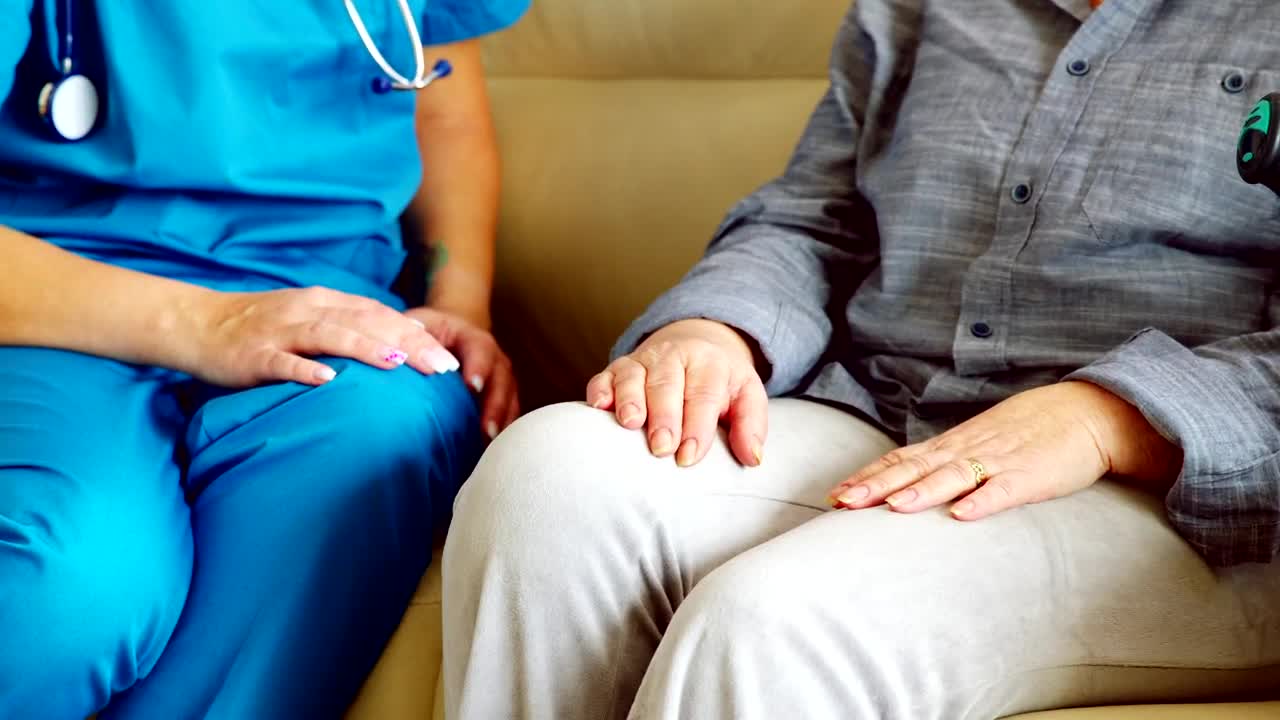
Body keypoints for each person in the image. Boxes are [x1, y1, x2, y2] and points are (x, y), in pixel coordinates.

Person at [442, 0, 1280, 718]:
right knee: (549, 477)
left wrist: (1105, 416)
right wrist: (714, 328)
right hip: (880, 407)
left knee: (778, 620)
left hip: (1179, 495)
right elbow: (816, 215)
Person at [0, 0, 527, 717]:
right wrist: (209, 323)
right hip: (65, 294)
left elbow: (444, 112)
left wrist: (459, 300)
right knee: (68, 590)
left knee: (374, 432)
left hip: (332, 292)